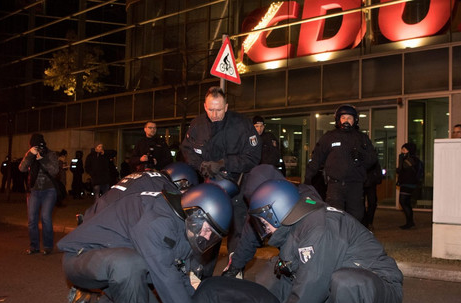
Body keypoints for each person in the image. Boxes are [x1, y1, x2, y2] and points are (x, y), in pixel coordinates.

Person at [58, 183, 233, 303]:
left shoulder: (183, 224)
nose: (206, 237)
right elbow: (166, 277)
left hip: (118, 269)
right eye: (206, 229)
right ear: (196, 213)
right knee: (129, 263)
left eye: (212, 234)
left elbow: (180, 276)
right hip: (82, 257)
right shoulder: (157, 220)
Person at [248, 180, 403, 303]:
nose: (263, 227)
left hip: (379, 284)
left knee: (346, 282)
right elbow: (295, 274)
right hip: (336, 282)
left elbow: (309, 288)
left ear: (278, 212)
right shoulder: (298, 223)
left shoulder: (318, 229)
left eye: (264, 220)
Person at [181, 86, 261, 278]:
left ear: (226, 106)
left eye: (218, 109)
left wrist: (224, 163)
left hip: (237, 187)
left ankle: (235, 271)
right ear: (204, 106)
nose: (214, 114)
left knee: (238, 232)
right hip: (209, 190)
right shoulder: (197, 125)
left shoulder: (242, 125)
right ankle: (200, 273)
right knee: (207, 230)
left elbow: (253, 156)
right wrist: (202, 166)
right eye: (210, 109)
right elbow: (187, 150)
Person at [222, 164, 322, 279]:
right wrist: (234, 267)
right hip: (288, 255)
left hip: (316, 259)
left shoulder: (307, 200)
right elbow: (248, 238)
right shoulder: (260, 207)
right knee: (265, 280)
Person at [304, 104, 377, 222]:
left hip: (355, 186)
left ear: (355, 120)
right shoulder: (329, 137)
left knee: (356, 218)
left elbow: (373, 159)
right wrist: (307, 180)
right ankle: (336, 240)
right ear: (338, 120)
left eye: (349, 118)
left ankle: (353, 240)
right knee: (334, 218)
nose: (346, 121)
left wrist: (362, 157)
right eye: (343, 118)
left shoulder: (362, 138)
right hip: (335, 186)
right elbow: (316, 159)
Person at [81, 162, 199, 222]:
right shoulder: (162, 186)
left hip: (92, 214)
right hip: (109, 223)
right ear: (181, 182)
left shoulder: (145, 176)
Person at [18, 133, 60, 255]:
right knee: (32, 219)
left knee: (46, 217)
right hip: (34, 191)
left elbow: (55, 171)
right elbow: (22, 168)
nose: (38, 148)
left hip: (49, 190)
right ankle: (34, 246)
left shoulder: (50, 154)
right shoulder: (30, 155)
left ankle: (47, 246)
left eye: (39, 146)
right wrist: (30, 154)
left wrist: (43, 159)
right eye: (35, 146)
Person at [396, 142, 423, 230]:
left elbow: (401, 169)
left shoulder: (410, 159)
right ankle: (410, 222)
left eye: (404, 149)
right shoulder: (414, 159)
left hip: (408, 183)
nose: (402, 151)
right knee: (406, 202)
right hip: (409, 183)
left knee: (403, 201)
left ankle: (410, 222)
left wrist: (401, 159)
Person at [362, 158, 383, 230]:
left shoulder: (372, 158)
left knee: (372, 203)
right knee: (361, 204)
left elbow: (378, 169)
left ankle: (369, 222)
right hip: (362, 183)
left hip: (371, 183)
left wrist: (378, 179)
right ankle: (365, 222)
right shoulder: (360, 156)